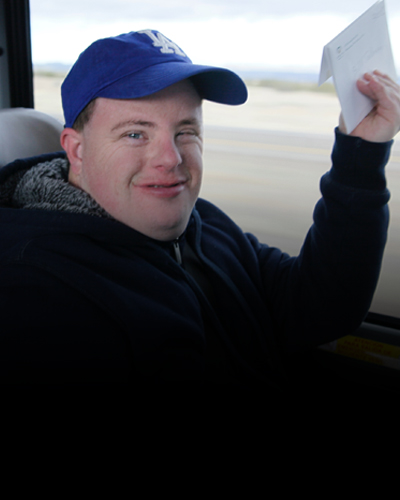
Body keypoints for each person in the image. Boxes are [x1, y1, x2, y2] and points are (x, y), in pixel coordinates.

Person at [0, 30, 399, 386]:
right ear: (77, 149)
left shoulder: (202, 223)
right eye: (136, 133)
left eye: (185, 131)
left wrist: (360, 157)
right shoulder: (39, 289)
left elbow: (318, 306)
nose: (170, 158)